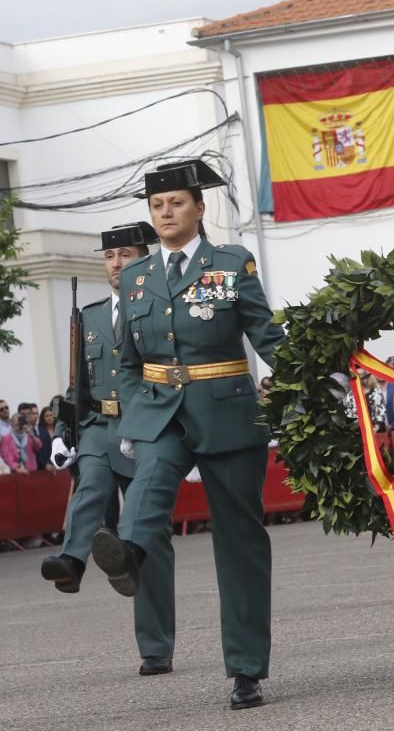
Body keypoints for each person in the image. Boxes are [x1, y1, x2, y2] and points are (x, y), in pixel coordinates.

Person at [88, 159, 284, 710]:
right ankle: (127, 554)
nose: (166, 212)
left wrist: (315, 375)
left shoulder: (231, 263)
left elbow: (265, 334)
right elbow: (127, 360)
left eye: (175, 203)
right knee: (148, 481)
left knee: (239, 543)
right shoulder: (136, 277)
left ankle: (246, 670)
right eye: (156, 206)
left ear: (199, 208)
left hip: (225, 411)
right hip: (158, 411)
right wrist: (132, 417)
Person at [39, 222, 177, 675]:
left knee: (150, 539)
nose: (116, 265)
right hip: (99, 423)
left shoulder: (164, 309)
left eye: (127, 255)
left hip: (146, 428)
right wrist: (62, 430)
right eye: (109, 257)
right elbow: (76, 383)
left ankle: (155, 646)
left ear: (147, 259)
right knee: (91, 482)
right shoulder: (89, 316)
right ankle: (73, 561)